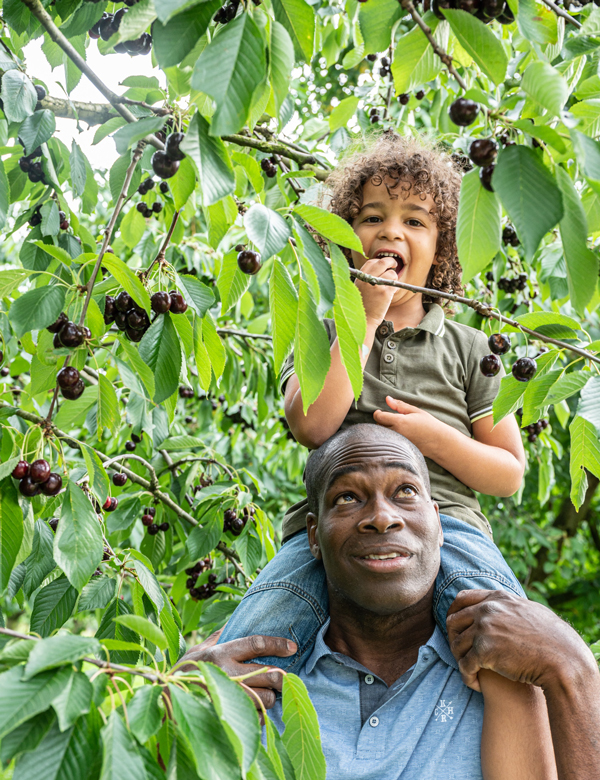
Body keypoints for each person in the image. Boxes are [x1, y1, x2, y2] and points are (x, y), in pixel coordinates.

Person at [218, 133, 526, 668]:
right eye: (371, 218)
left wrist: (435, 438)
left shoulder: (471, 347)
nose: (390, 231)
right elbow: (312, 425)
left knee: (508, 640)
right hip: (332, 533)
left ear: (442, 247)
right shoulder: (322, 331)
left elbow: (508, 474)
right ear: (344, 242)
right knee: (256, 637)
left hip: (450, 524)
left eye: (414, 221)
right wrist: (362, 320)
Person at [181, 426, 600, 779]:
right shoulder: (243, 678)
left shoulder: (515, 677)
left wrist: (574, 670)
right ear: (312, 535)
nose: (382, 517)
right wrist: (178, 709)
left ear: (439, 522)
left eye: (405, 492)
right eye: (347, 497)